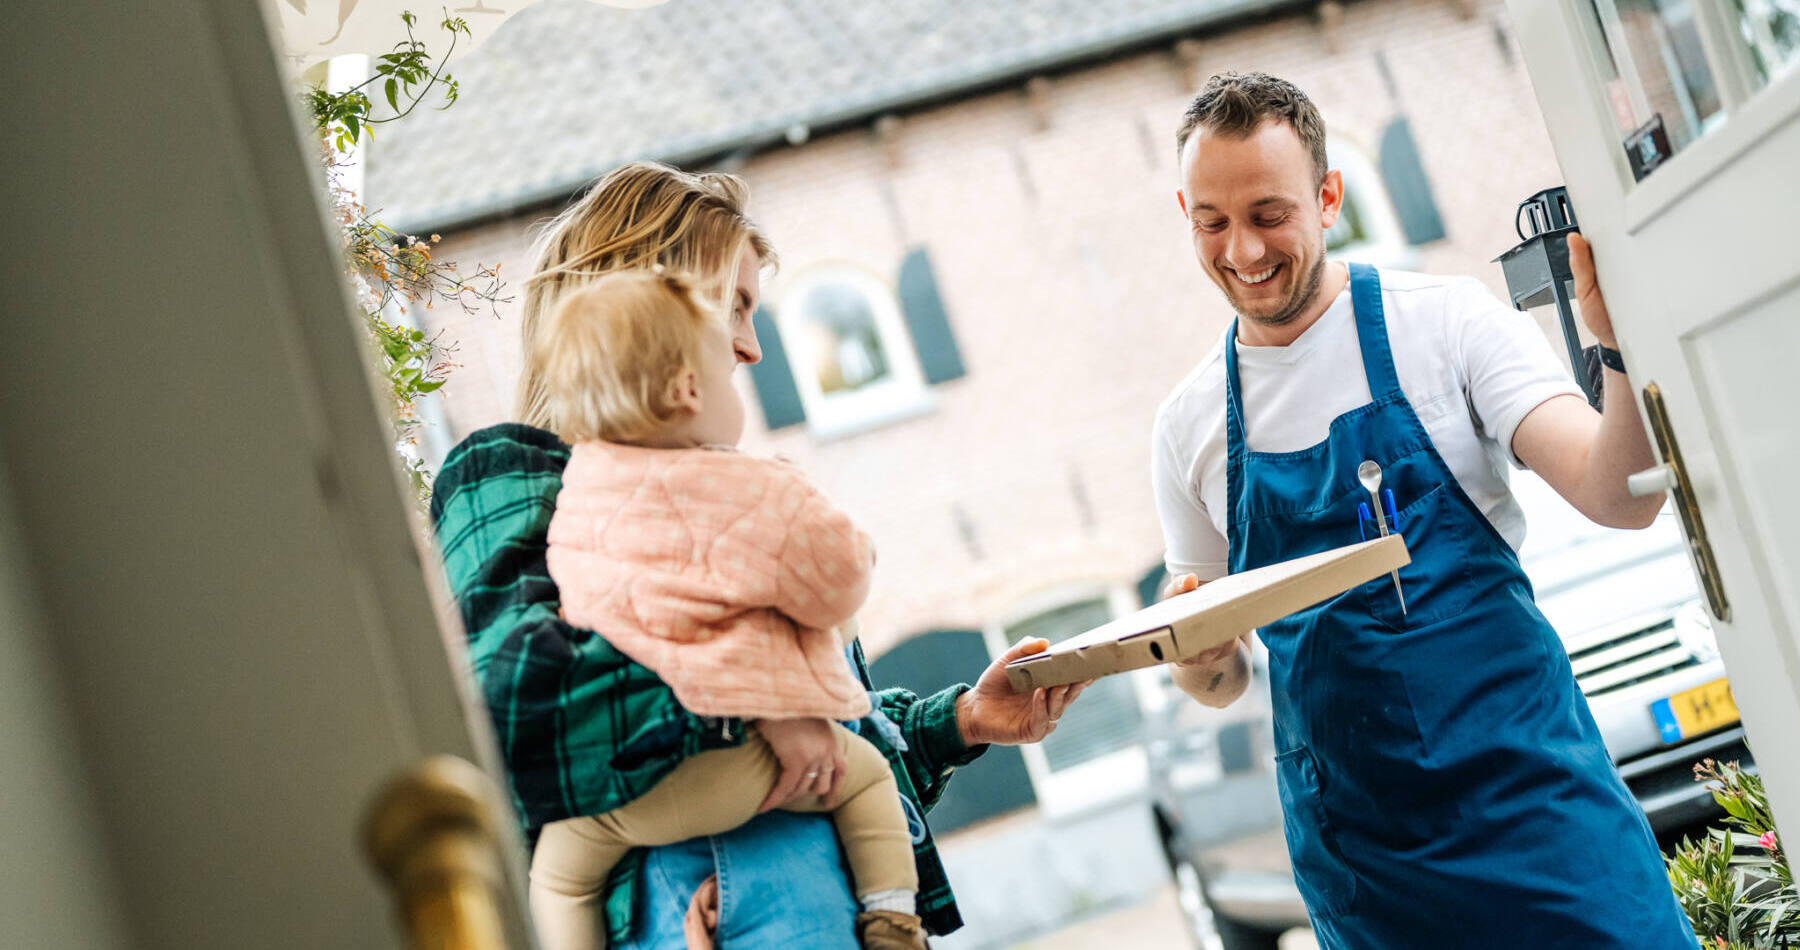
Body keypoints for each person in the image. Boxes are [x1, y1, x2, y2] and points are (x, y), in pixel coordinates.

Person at [429, 162, 1087, 950]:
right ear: (644, 306)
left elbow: (816, 756)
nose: (750, 348)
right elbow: (525, 709)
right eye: (733, 307)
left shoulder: (721, 489)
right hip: (707, 893)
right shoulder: (512, 470)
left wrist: (963, 722)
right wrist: (761, 709)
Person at [1149, 73, 1697, 947]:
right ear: (1186, 212)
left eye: (1268, 213)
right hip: (1369, 872)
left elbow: (1617, 493)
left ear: (1328, 198)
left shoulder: (1443, 324)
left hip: (1541, 822)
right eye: (1211, 222)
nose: (1243, 250)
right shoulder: (1189, 428)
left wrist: (1616, 343)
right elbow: (1220, 684)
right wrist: (1197, 659)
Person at [527, 270, 925, 950]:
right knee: (864, 778)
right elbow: (838, 580)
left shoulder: (571, 495)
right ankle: (892, 921)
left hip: (625, 789)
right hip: (745, 765)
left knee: (559, 876)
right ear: (688, 390)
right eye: (726, 371)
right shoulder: (746, 487)